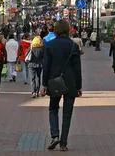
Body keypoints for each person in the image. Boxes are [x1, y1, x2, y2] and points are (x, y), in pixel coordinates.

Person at [41, 20, 82, 152]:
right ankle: (63, 143)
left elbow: (46, 66)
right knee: (67, 113)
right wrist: (79, 86)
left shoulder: (49, 45)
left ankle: (55, 136)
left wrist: (44, 84)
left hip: (54, 81)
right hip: (70, 82)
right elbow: (77, 68)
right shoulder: (73, 46)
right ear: (68, 30)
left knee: (53, 108)